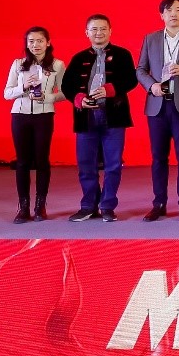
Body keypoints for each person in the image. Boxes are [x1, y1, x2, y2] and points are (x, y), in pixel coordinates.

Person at [61, 14, 138, 222]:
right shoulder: (79, 58)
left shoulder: (122, 54)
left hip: (114, 117)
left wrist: (110, 90)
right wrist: (79, 99)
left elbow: (131, 80)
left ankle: (107, 206)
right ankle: (88, 205)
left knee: (113, 165)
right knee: (86, 164)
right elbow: (67, 86)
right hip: (86, 117)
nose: (99, 33)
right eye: (94, 29)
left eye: (103, 28)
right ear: (86, 33)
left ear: (110, 31)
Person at [135, 0, 179, 221]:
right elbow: (140, 69)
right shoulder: (151, 39)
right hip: (157, 105)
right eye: (169, 10)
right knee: (158, 157)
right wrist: (151, 86)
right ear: (161, 15)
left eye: (178, 10)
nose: (174, 13)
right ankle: (159, 203)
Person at [2, 27, 66, 223]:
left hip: (43, 116)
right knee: (22, 161)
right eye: (31, 41)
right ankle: (23, 207)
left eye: (39, 41)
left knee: (41, 160)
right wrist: (23, 87)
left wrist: (47, 97)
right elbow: (7, 93)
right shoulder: (18, 64)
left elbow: (65, 92)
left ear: (48, 42)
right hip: (20, 115)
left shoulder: (57, 65)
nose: (35, 45)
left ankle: (40, 205)